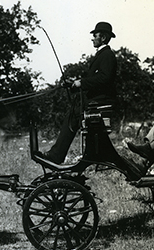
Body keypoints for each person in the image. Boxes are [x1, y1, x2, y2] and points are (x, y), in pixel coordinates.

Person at [38, 21, 118, 164]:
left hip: (100, 101)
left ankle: (56, 155)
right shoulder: (102, 54)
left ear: (104, 38)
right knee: (73, 111)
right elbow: (95, 79)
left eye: (95, 35)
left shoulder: (107, 55)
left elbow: (105, 78)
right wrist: (74, 83)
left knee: (73, 114)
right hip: (96, 100)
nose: (92, 38)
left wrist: (81, 82)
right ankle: (57, 154)